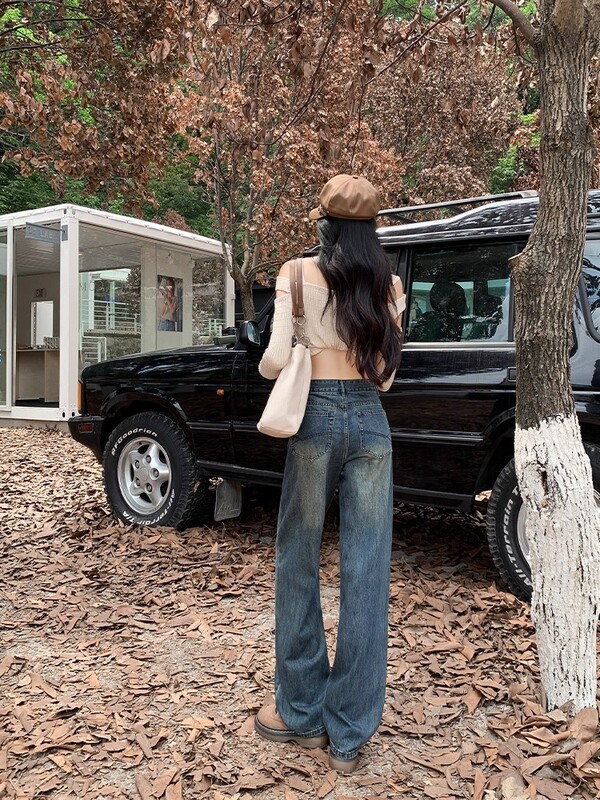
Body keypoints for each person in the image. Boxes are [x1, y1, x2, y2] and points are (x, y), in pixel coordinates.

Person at [254, 174, 405, 774]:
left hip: (313, 417)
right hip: (371, 423)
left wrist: (290, 354)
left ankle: (302, 713)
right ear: (371, 231)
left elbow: (273, 360)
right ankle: (349, 734)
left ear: (324, 226)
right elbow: (386, 378)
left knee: (298, 557)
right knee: (367, 570)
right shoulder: (388, 284)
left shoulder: (294, 274)